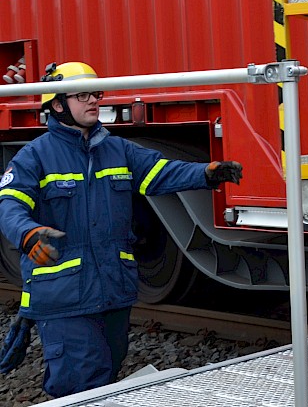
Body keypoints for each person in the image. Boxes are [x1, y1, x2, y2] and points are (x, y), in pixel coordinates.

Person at [0, 61, 244, 398]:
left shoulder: (116, 149)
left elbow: (161, 173)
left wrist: (205, 173)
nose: (93, 101)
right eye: (82, 95)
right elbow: (10, 207)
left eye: (95, 94)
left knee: (107, 373)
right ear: (57, 105)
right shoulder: (34, 157)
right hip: (64, 296)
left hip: (112, 290)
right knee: (82, 382)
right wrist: (28, 234)